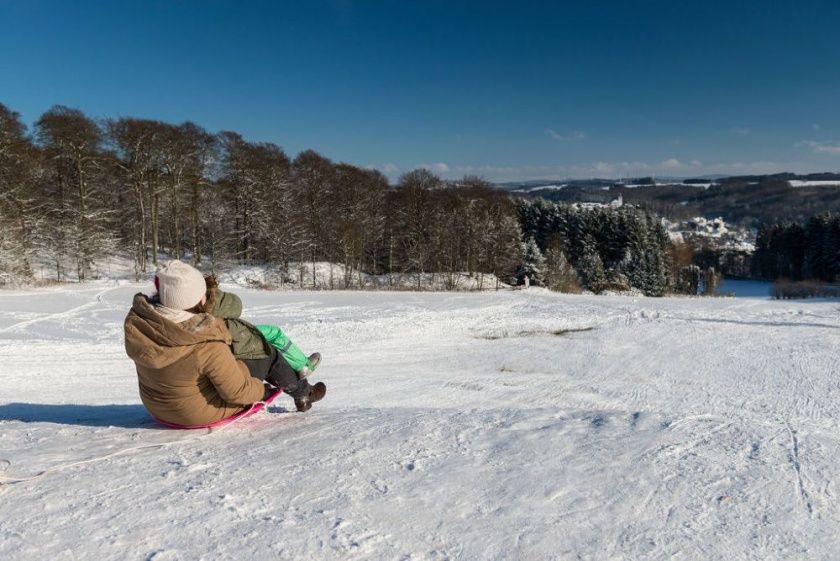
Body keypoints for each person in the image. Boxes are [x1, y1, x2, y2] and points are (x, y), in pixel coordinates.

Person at [124, 260, 326, 426]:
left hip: (158, 408)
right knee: (267, 354)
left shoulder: (142, 325)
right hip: (196, 413)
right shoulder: (207, 338)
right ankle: (303, 393)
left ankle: (303, 390)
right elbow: (238, 392)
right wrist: (264, 391)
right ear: (198, 300)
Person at [202, 275, 321, 378]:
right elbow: (234, 307)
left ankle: (297, 370)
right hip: (229, 334)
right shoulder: (202, 297)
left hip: (225, 332)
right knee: (274, 333)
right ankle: (303, 365)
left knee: (265, 338)